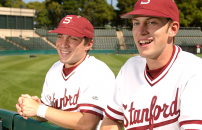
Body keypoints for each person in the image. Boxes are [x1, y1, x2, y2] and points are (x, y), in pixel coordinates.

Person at [100, 0, 202, 130]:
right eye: (136, 23)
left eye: (151, 22)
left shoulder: (194, 71)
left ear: (173, 29)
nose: (141, 31)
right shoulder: (129, 68)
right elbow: (112, 119)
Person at [16, 15, 115, 130]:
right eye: (60, 36)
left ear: (88, 44)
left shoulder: (98, 71)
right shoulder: (54, 69)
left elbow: (87, 124)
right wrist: (35, 107)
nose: (63, 44)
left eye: (72, 38)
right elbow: (47, 115)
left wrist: (39, 109)